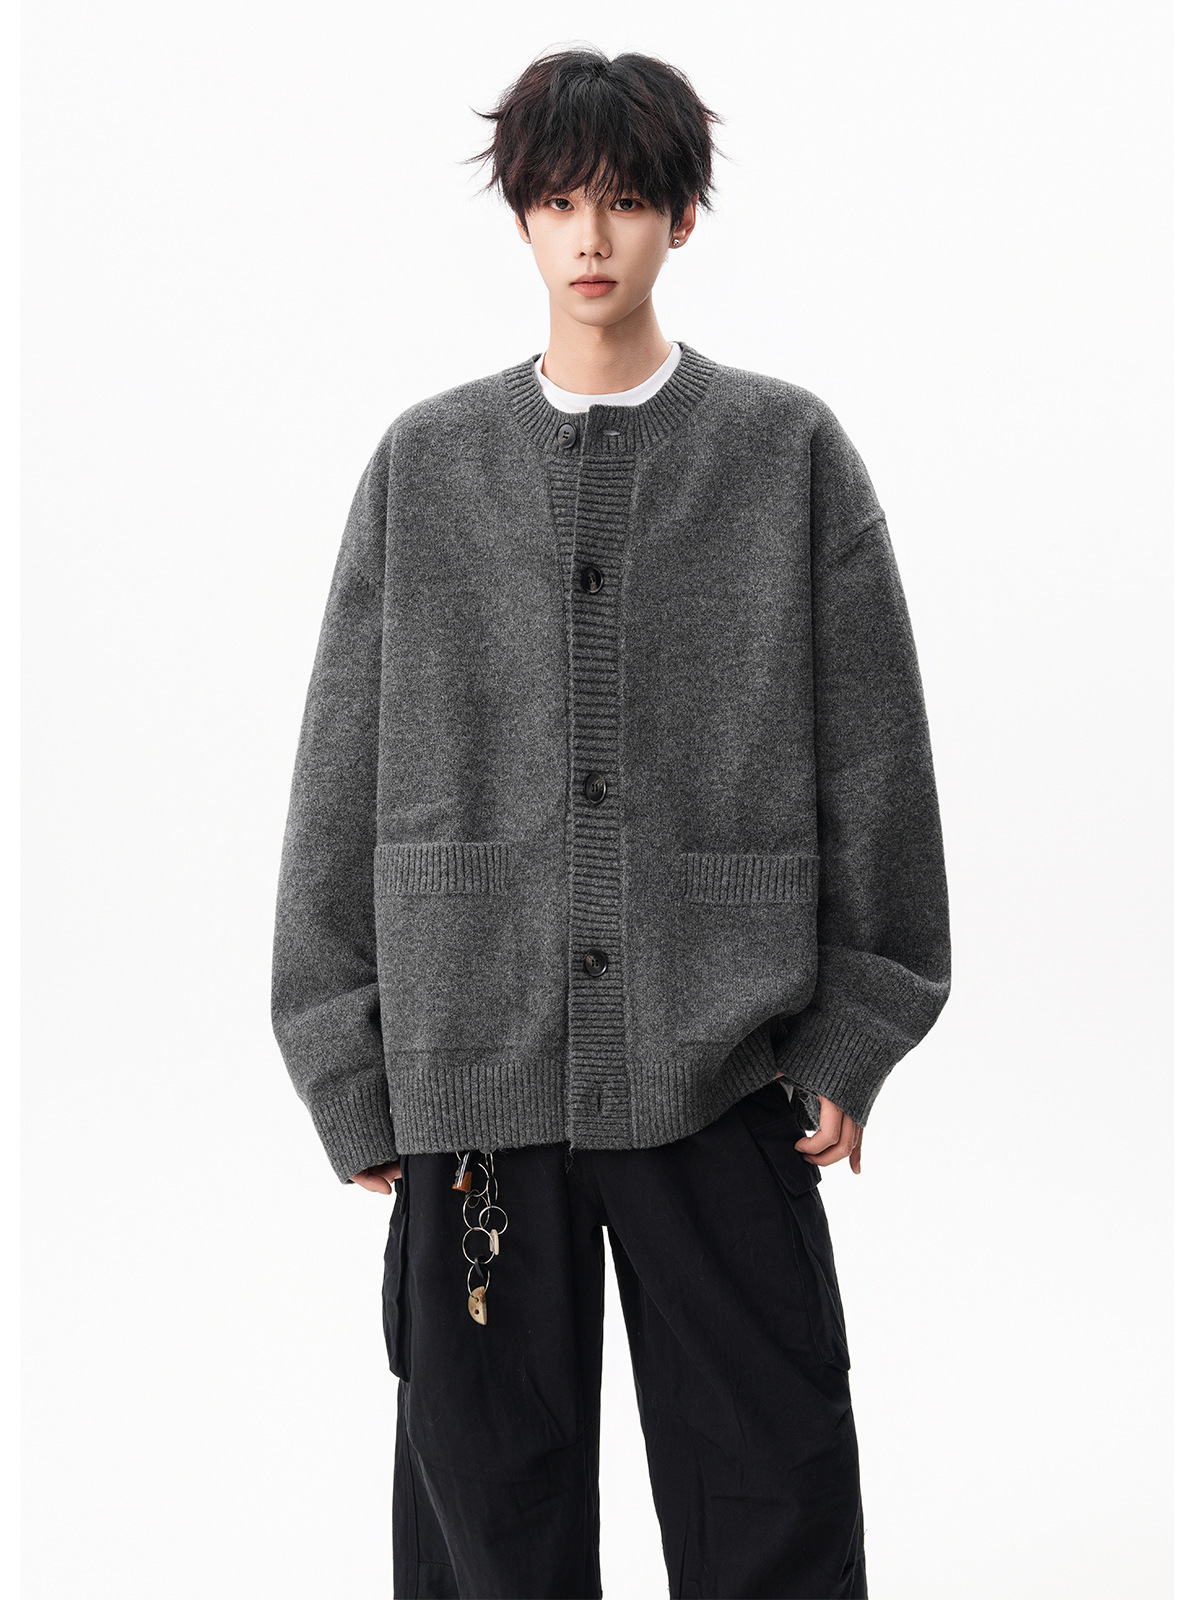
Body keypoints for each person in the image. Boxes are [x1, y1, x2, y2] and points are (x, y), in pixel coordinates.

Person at [270, 45, 951, 1600]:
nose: (593, 238)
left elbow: (879, 765)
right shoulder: (426, 465)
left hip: (722, 1065)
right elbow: (337, 778)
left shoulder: (787, 454)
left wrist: (856, 1031)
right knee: (487, 1522)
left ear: (681, 219)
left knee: (771, 1488)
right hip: (475, 1075)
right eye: (562, 202)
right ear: (520, 217)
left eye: (629, 202)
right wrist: (345, 1063)